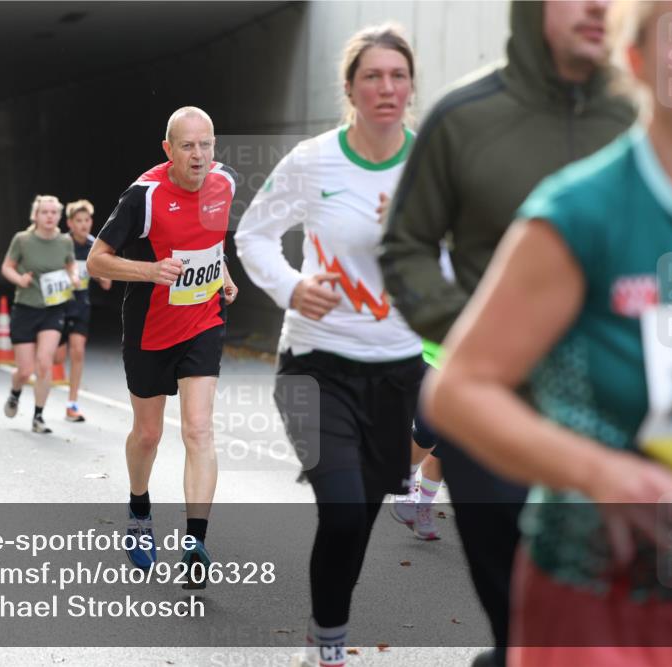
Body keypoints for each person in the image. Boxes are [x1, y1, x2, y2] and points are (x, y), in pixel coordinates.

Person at [424, 2, 672, 665]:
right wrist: (598, 470)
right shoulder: (582, 211)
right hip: (601, 599)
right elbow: (457, 391)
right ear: (637, 59)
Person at [378, 2, 635, 664]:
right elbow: (405, 247)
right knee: (529, 629)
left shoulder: (651, 117)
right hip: (495, 419)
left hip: (629, 420)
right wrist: (474, 340)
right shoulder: (464, 117)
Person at [236, 25, 422, 667]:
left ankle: (327, 629)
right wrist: (290, 286)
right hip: (314, 366)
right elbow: (254, 235)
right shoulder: (314, 161)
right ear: (349, 88)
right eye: (373, 75)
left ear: (411, 86)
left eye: (398, 75)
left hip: (397, 371)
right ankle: (327, 650)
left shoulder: (432, 164)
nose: (387, 88)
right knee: (342, 511)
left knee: (362, 517)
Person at [87, 106, 238, 585]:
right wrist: (151, 271)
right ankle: (138, 508)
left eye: (206, 145)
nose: (198, 155)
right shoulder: (144, 196)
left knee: (199, 431)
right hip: (151, 328)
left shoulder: (226, 184)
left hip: (203, 319)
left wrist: (225, 275)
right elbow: (97, 261)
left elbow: (210, 242)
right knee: (148, 435)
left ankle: (195, 543)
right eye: (187, 146)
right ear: (168, 149)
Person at [1, 195, 77, 433]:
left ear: (59, 216)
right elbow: (7, 267)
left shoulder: (65, 241)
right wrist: (19, 279)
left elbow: (70, 264)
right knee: (24, 370)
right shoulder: (22, 240)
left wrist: (73, 276)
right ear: (36, 215)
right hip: (25, 307)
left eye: (54, 212)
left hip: (53, 309)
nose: (49, 216)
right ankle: (15, 393)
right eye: (45, 212)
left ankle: (38, 416)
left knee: (44, 363)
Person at [55, 199, 111, 421]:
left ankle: (72, 403)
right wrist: (67, 274)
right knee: (58, 357)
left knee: (77, 352)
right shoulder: (60, 244)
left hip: (80, 305)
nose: (83, 224)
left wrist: (96, 273)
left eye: (86, 220)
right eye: (78, 220)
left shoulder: (94, 246)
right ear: (70, 223)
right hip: (59, 305)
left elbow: (107, 284)